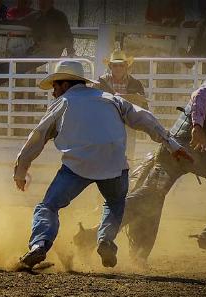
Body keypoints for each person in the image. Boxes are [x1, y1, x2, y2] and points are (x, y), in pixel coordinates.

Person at [13, 60, 192, 269]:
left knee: (49, 206)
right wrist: (171, 144)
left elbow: (38, 136)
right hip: (114, 164)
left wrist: (20, 170)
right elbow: (144, 118)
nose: (53, 92)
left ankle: (39, 245)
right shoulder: (111, 99)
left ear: (64, 84)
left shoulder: (62, 103)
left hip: (77, 165)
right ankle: (106, 240)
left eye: (55, 86)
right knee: (115, 203)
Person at [74, 58, 206, 266]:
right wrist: (198, 127)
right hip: (188, 148)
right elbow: (202, 95)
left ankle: (93, 238)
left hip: (175, 149)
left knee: (149, 196)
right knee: (149, 196)